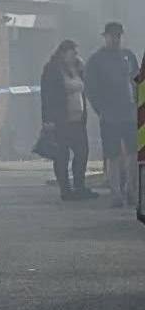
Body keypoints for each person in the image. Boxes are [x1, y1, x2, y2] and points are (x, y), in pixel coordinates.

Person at [84, 22, 139, 208]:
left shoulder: (129, 57)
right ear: (105, 37)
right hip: (110, 114)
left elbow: (138, 81)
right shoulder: (97, 60)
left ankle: (132, 190)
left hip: (130, 113)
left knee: (133, 153)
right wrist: (101, 109)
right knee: (112, 154)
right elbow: (91, 88)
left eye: (118, 36)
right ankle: (116, 192)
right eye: (111, 36)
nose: (115, 39)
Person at [41, 39, 97, 201]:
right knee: (62, 155)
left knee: (82, 153)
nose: (75, 56)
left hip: (78, 120)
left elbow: (84, 87)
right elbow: (47, 96)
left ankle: (80, 186)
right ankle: (65, 189)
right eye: (72, 53)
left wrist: (82, 69)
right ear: (63, 53)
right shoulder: (52, 70)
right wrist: (47, 119)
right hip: (61, 121)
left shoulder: (77, 69)